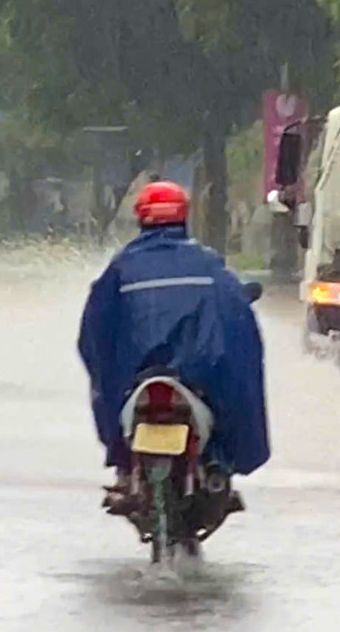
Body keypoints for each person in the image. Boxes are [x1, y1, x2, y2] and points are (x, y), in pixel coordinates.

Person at [78, 180, 269, 515]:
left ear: (141, 218)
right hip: (200, 375)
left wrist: (106, 368)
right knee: (238, 380)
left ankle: (123, 467)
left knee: (103, 388)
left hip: (134, 379)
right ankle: (219, 465)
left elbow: (94, 329)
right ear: (184, 216)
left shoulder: (121, 267)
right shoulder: (208, 263)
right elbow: (237, 313)